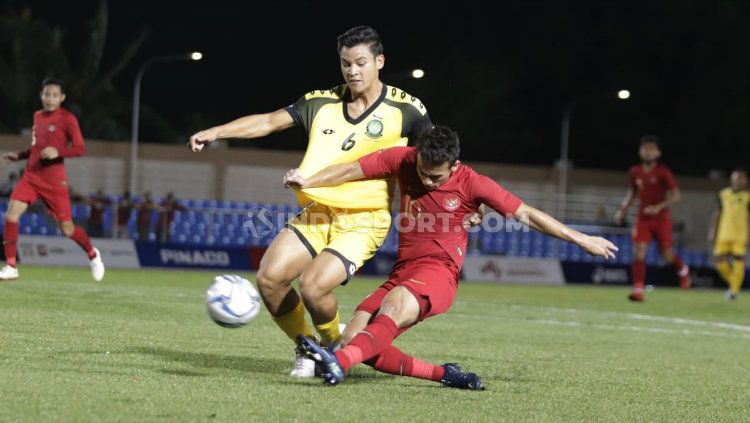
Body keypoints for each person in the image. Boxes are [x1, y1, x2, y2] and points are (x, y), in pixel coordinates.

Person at [287, 126, 618, 387]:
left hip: (438, 273)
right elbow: (350, 170)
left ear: (455, 166)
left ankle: (337, 364)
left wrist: (582, 238)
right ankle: (443, 374)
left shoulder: (474, 183)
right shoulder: (402, 159)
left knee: (391, 311)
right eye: (423, 172)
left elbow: (527, 214)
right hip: (402, 271)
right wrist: (308, 179)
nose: (428, 182)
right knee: (356, 342)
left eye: (437, 176)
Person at [188, 26, 432, 377]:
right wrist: (216, 132)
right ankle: (310, 348)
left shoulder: (406, 109)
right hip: (319, 212)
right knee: (270, 279)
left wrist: (468, 201)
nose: (353, 71)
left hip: (365, 219)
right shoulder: (320, 102)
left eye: (361, 63)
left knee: (314, 286)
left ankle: (334, 349)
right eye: (346, 64)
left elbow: (436, 157)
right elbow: (270, 121)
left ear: (379, 61)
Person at [0, 78, 104, 281]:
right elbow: (37, 149)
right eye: (47, 94)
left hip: (54, 182)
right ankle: (11, 266)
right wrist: (20, 155)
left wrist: (58, 151)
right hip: (31, 176)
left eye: (55, 95)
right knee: (11, 216)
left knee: (67, 229)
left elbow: (79, 148)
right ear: (41, 95)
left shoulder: (68, 119)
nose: (50, 98)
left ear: (62, 98)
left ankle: (93, 254)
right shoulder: (37, 116)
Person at [614, 135, 690, 302]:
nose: (647, 152)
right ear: (640, 152)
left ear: (658, 153)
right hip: (643, 218)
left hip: (661, 219)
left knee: (667, 255)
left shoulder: (663, 172)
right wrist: (622, 210)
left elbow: (676, 195)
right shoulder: (635, 171)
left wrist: (658, 207)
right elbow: (632, 192)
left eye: (651, 149)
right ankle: (639, 289)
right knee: (639, 251)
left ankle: (683, 269)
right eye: (645, 149)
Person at [708, 170, 750, 300]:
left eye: (741, 179)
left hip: (740, 234)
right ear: (732, 180)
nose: (738, 181)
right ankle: (734, 284)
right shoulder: (724, 194)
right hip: (723, 233)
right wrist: (713, 231)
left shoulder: (748, 197)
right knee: (719, 260)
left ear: (745, 181)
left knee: (738, 260)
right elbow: (717, 213)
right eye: (736, 179)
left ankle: (733, 291)